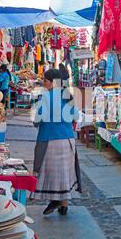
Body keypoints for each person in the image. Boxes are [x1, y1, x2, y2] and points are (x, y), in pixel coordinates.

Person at [32, 69, 81, 216]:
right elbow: (76, 117)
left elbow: (37, 121)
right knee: (63, 175)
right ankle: (63, 206)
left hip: (50, 141)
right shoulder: (68, 96)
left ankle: (55, 201)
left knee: (53, 175)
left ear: (53, 82)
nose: (44, 84)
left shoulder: (46, 97)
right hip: (67, 141)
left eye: (45, 81)